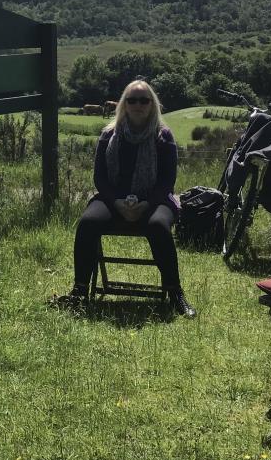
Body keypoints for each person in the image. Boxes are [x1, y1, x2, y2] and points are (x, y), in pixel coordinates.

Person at [66, 79, 196, 317]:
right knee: (87, 223)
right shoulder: (108, 135)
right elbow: (100, 178)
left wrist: (146, 203)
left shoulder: (163, 136)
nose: (138, 105)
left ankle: (175, 292)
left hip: (154, 200)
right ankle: (79, 291)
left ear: (152, 104)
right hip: (113, 199)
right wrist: (116, 202)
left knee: (158, 226)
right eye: (132, 100)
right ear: (123, 104)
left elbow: (167, 181)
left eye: (144, 100)